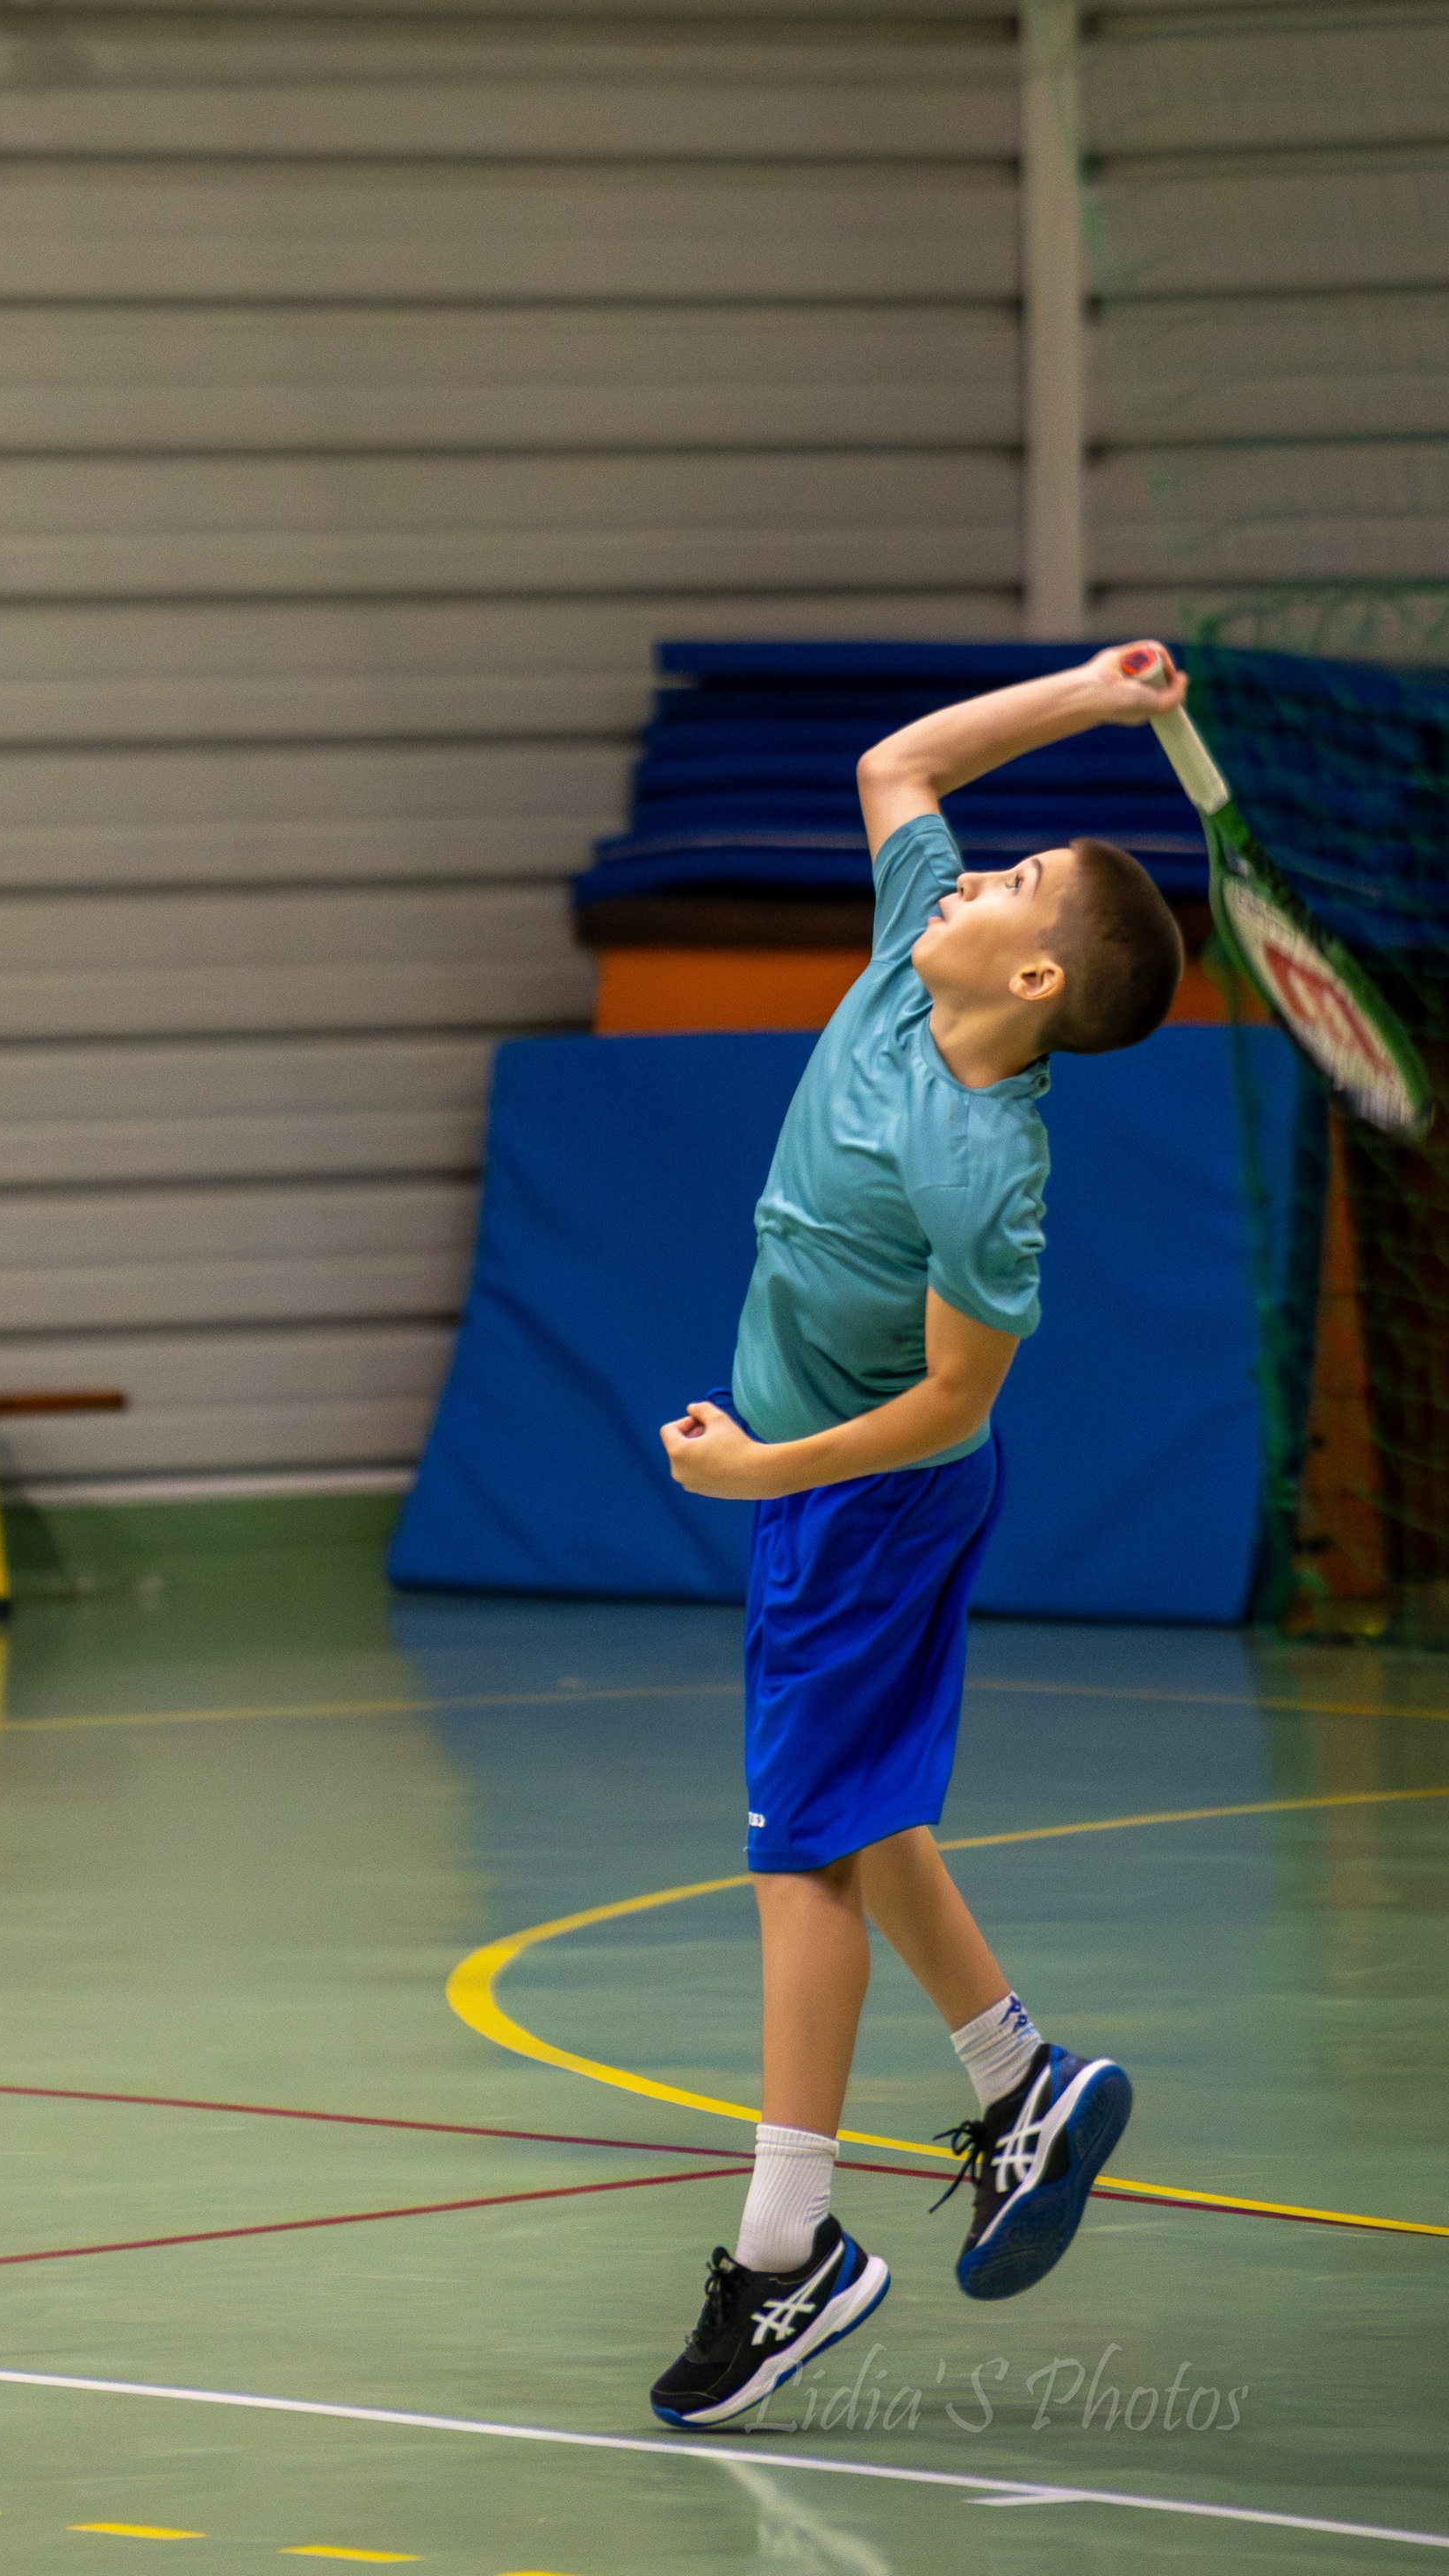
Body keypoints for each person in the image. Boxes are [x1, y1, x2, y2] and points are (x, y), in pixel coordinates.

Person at [646, 646, 1192, 2430]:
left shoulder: (983, 1165)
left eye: (1016, 883)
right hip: (823, 1493)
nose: (977, 866)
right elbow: (896, 759)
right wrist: (1090, 695)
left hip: (860, 1500)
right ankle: (1015, 2076)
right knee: (853, 1811)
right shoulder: (904, 956)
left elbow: (958, 1400)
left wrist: (766, 1472)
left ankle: (787, 2253)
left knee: (795, 1854)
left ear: (1029, 977)